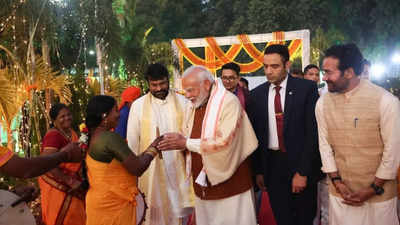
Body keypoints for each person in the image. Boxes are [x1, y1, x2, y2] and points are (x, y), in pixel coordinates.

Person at [158, 65, 259, 225]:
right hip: (203, 183)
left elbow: (225, 142)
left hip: (231, 183)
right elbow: (187, 133)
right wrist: (178, 141)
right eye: (186, 91)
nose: (188, 96)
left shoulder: (228, 102)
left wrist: (186, 142)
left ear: (206, 84)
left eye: (191, 90)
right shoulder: (194, 104)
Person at [316, 43, 400, 225]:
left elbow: (393, 152)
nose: (324, 77)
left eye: (329, 72)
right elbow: (325, 146)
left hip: (378, 197)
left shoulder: (385, 101)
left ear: (349, 72)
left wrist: (372, 189)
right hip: (341, 194)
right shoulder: (322, 103)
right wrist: (337, 183)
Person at [247, 44, 322, 225]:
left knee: (304, 217)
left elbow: (313, 134)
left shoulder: (306, 89)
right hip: (273, 166)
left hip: (300, 163)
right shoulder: (257, 95)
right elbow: (256, 135)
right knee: (282, 217)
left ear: (287, 65)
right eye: (265, 66)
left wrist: (303, 172)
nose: (269, 71)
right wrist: (259, 171)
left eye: (275, 66)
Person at [127, 63, 193, 225]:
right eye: (154, 85)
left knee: (178, 211)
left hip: (178, 165)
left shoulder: (183, 102)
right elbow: (133, 140)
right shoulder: (138, 106)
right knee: (153, 213)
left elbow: (190, 134)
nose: (158, 88)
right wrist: (133, 171)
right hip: (151, 167)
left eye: (162, 83)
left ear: (168, 81)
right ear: (148, 84)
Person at [85, 95, 163, 225]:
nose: (119, 114)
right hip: (114, 206)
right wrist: (154, 148)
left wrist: (149, 148)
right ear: (104, 116)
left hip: (98, 203)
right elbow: (137, 168)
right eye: (115, 110)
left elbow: (129, 162)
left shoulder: (93, 136)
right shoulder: (109, 138)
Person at [38, 103, 86, 225]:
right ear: (54, 121)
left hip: (72, 183)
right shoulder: (53, 136)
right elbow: (47, 164)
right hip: (57, 185)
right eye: (62, 116)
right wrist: (69, 181)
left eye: (68, 114)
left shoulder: (71, 132)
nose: (67, 118)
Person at [0, 143, 84, 178]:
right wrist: (66, 154)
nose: (67, 118)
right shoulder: (53, 135)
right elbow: (26, 169)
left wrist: (14, 193)